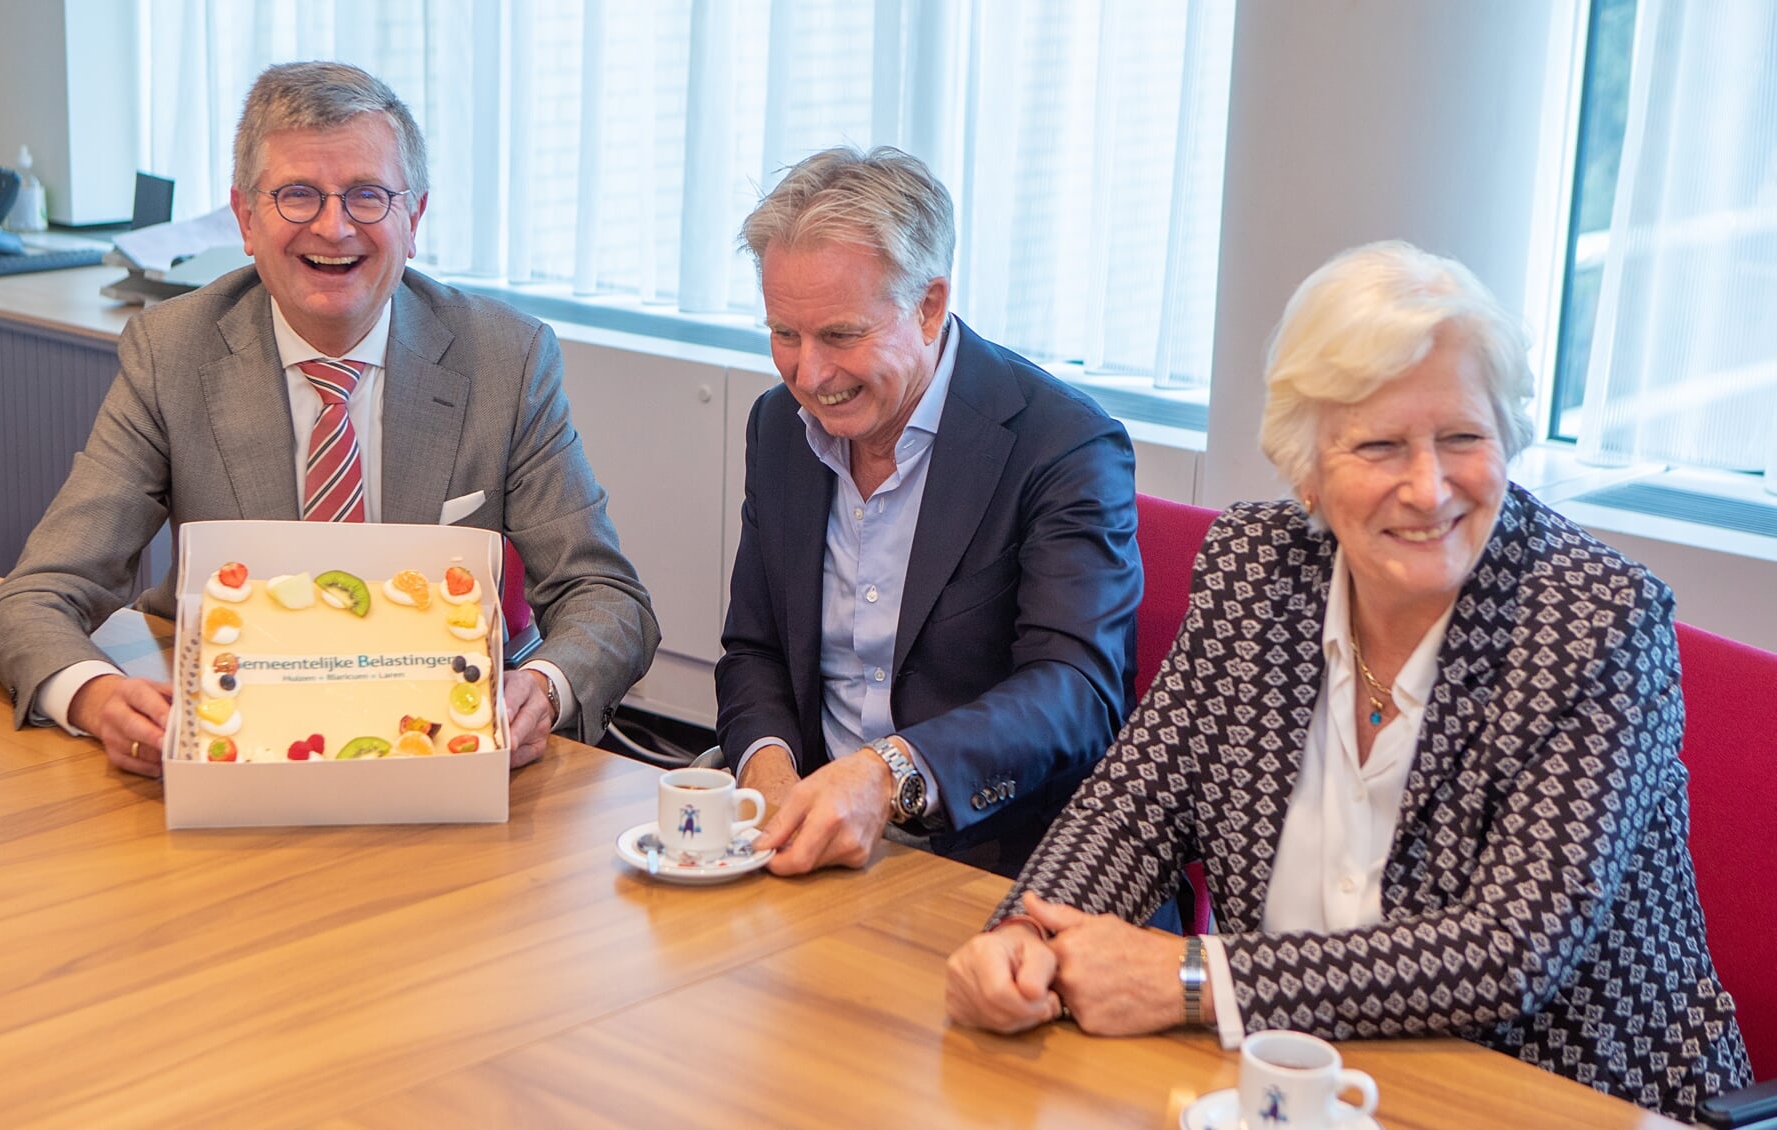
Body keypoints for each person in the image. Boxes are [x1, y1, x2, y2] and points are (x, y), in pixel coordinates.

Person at [944, 241, 1751, 1123]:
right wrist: (1026, 934)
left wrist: (1191, 978)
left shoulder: (1596, 621)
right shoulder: (1256, 570)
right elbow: (1134, 808)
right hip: (1299, 1093)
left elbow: (1511, 951)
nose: (1428, 486)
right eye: (1379, 445)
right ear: (1308, 469)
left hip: (1563, 1100)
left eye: (1462, 438)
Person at [0, 62, 657, 774]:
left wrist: (541, 691)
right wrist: (93, 697)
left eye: (367, 195)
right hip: (228, 741)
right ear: (245, 218)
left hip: (434, 747)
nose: (333, 228)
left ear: (413, 218)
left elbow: (607, 600)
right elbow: (32, 599)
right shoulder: (170, 354)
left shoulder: (505, 360)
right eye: (297, 195)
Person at [717, 146, 1143, 878]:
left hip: (995, 863)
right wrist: (767, 766)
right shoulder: (777, 427)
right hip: (810, 847)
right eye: (785, 334)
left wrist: (890, 775)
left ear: (929, 305)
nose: (809, 375)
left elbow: (1074, 690)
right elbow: (754, 651)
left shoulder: (1062, 444)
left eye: (841, 335)